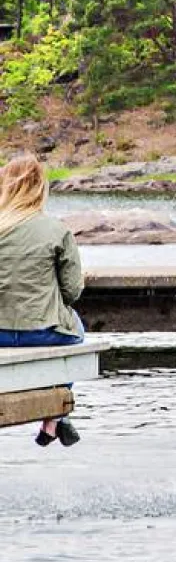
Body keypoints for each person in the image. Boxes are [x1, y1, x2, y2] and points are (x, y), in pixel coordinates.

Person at [0, 154, 84, 447]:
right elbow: (72, 292)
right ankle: (53, 419)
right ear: (40, 188)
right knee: (77, 328)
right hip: (44, 331)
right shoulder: (56, 230)